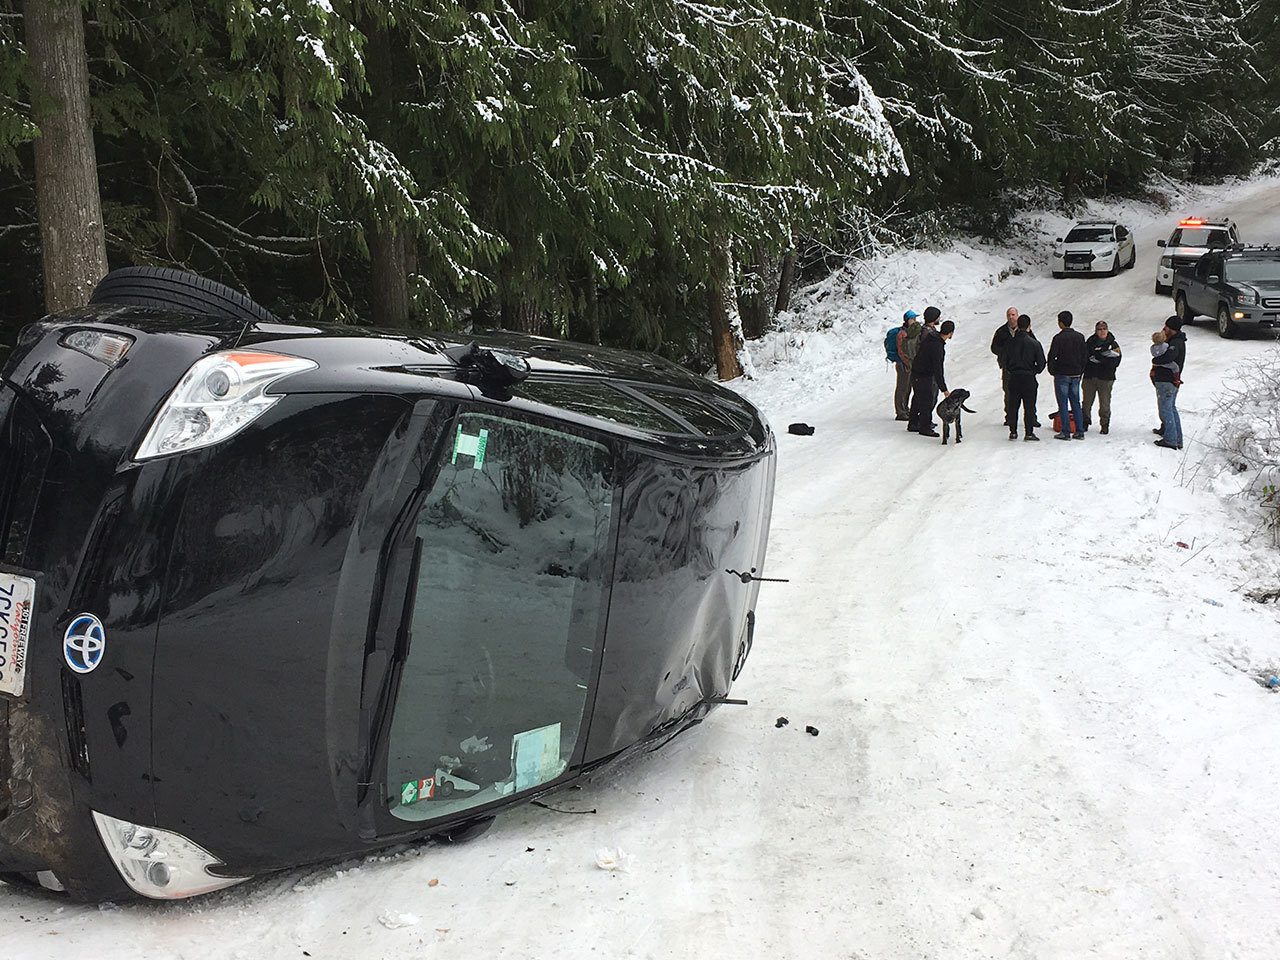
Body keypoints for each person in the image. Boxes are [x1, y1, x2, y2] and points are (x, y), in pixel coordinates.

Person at [908, 311, 953, 437]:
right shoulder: (937, 346)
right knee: (926, 401)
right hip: (924, 375)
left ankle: (913, 423)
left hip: (916, 372)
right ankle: (925, 427)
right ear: (950, 334)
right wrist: (944, 389)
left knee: (917, 398)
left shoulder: (932, 337)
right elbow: (938, 369)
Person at [1004, 314, 1046, 441]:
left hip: (1014, 377)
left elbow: (1005, 361)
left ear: (1018, 325)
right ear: (1029, 326)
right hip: (1029, 378)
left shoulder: (1010, 343)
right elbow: (1042, 363)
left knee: (1013, 406)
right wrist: (1034, 370)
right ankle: (1029, 432)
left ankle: (1013, 432)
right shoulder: (1034, 343)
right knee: (1029, 406)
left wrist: (1011, 370)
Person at [1047, 309, 1087, 441]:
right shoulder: (1080, 337)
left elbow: (1052, 356)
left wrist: (1053, 370)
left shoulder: (1058, 338)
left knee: (1063, 403)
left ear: (1060, 323)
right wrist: (1080, 370)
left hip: (1062, 374)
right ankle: (1080, 430)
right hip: (1076, 374)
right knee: (1076, 402)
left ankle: (1066, 431)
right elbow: (1084, 356)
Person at [1152, 316, 1186, 450]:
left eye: (1166, 327)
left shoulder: (1175, 343)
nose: (1163, 329)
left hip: (1167, 380)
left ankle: (1171, 439)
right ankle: (1174, 437)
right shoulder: (1174, 341)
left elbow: (1168, 357)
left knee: (1166, 409)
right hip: (1169, 380)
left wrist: (1155, 361)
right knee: (1171, 408)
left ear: (1172, 329)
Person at [1082, 320, 1121, 434]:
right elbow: (1084, 358)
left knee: (1104, 403)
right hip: (1090, 377)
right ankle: (1085, 422)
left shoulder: (1113, 344)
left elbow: (1116, 361)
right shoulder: (1090, 342)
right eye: (1099, 329)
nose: (1102, 331)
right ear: (1096, 331)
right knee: (1086, 402)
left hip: (1106, 378)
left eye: (1104, 329)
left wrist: (1102, 359)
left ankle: (1104, 424)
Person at [991, 306, 1020, 428]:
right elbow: (994, 348)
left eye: (1013, 315)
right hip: (1007, 367)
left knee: (1026, 393)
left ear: (1017, 316)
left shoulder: (1024, 329)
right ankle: (1009, 417)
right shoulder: (1001, 331)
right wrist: (1005, 352)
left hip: (1022, 367)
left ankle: (1032, 418)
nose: (1011, 317)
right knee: (1008, 392)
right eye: (1009, 315)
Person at [891, 310, 920, 421]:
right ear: (908, 320)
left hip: (908, 365)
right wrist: (908, 363)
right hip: (903, 365)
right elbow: (901, 351)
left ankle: (905, 409)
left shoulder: (910, 332)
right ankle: (900, 411)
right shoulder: (902, 334)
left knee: (908, 387)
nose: (915, 321)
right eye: (913, 319)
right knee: (902, 388)